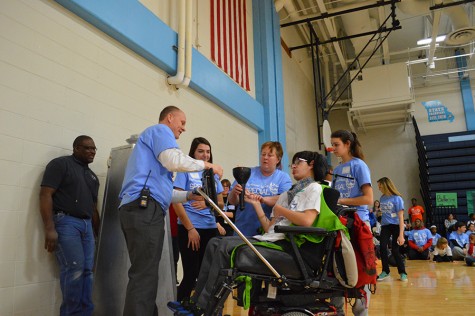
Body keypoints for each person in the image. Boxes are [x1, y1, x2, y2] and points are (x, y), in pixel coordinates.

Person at [170, 151, 347, 316]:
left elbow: (307, 220)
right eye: (292, 163)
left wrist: (280, 210)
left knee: (224, 247)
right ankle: (196, 303)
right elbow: (270, 228)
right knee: (215, 243)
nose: (292, 166)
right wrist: (255, 204)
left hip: (291, 250)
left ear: (311, 164)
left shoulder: (314, 188)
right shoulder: (288, 193)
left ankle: (203, 307)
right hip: (273, 240)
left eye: (297, 162)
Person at [118, 106, 223, 316]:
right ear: (169, 118)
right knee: (144, 275)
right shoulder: (160, 131)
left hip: (144, 207)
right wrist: (207, 165)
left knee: (146, 273)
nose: (183, 128)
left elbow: (164, 192)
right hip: (143, 208)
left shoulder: (154, 155)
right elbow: (174, 160)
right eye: (182, 123)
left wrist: (187, 196)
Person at [39, 135, 100, 316]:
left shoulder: (92, 176)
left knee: (88, 272)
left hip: (87, 225)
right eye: (87, 148)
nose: (92, 152)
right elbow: (45, 195)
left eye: (94, 149)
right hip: (66, 222)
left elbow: (93, 207)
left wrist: (98, 232)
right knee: (74, 269)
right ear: (76, 148)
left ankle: (85, 313)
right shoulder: (60, 164)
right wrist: (49, 228)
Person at [172, 137, 225, 303]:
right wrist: (190, 229)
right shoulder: (185, 171)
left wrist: (207, 202)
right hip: (190, 229)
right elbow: (175, 201)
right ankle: (180, 308)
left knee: (208, 273)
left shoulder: (213, 175)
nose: (205, 155)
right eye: (200, 151)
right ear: (193, 153)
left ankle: (200, 308)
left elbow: (221, 204)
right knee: (191, 273)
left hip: (210, 228)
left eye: (208, 151)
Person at [330, 130, 373, 316]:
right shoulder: (337, 170)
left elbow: (368, 199)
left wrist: (341, 201)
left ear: (347, 144)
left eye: (336, 144)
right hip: (340, 223)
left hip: (359, 225)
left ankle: (361, 311)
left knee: (361, 271)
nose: (333, 149)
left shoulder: (359, 166)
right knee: (339, 268)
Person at [228, 141, 292, 236]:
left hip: (268, 231)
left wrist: (261, 199)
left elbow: (285, 199)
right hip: (243, 229)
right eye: (263, 154)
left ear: (278, 159)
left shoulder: (283, 177)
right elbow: (232, 201)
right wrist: (234, 192)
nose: (265, 157)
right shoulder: (247, 172)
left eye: (270, 155)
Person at [375, 177, 407, 282]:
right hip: (385, 226)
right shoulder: (382, 198)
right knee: (382, 247)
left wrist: (401, 235)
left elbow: (401, 217)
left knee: (395, 250)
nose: (379, 188)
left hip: (397, 225)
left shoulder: (397, 198)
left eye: (380, 186)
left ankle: (402, 272)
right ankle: (385, 271)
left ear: (385, 185)